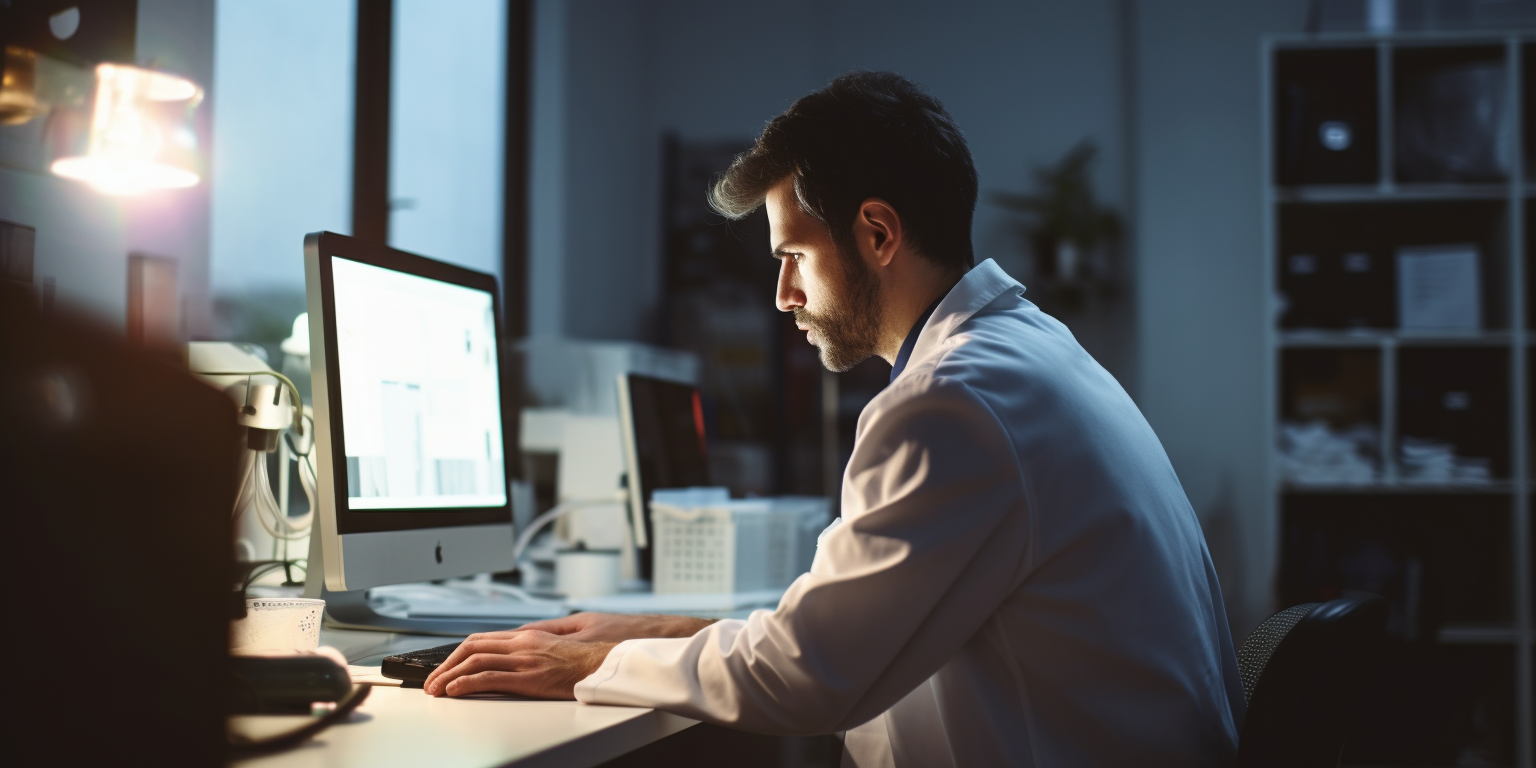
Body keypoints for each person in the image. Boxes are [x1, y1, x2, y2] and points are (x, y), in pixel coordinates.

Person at [424, 71, 1246, 767]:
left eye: (793, 256)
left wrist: (595, 661)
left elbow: (805, 677)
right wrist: (652, 629)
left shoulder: (950, 403)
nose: (783, 295)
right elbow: (852, 625)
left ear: (877, 233)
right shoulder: (1030, 354)